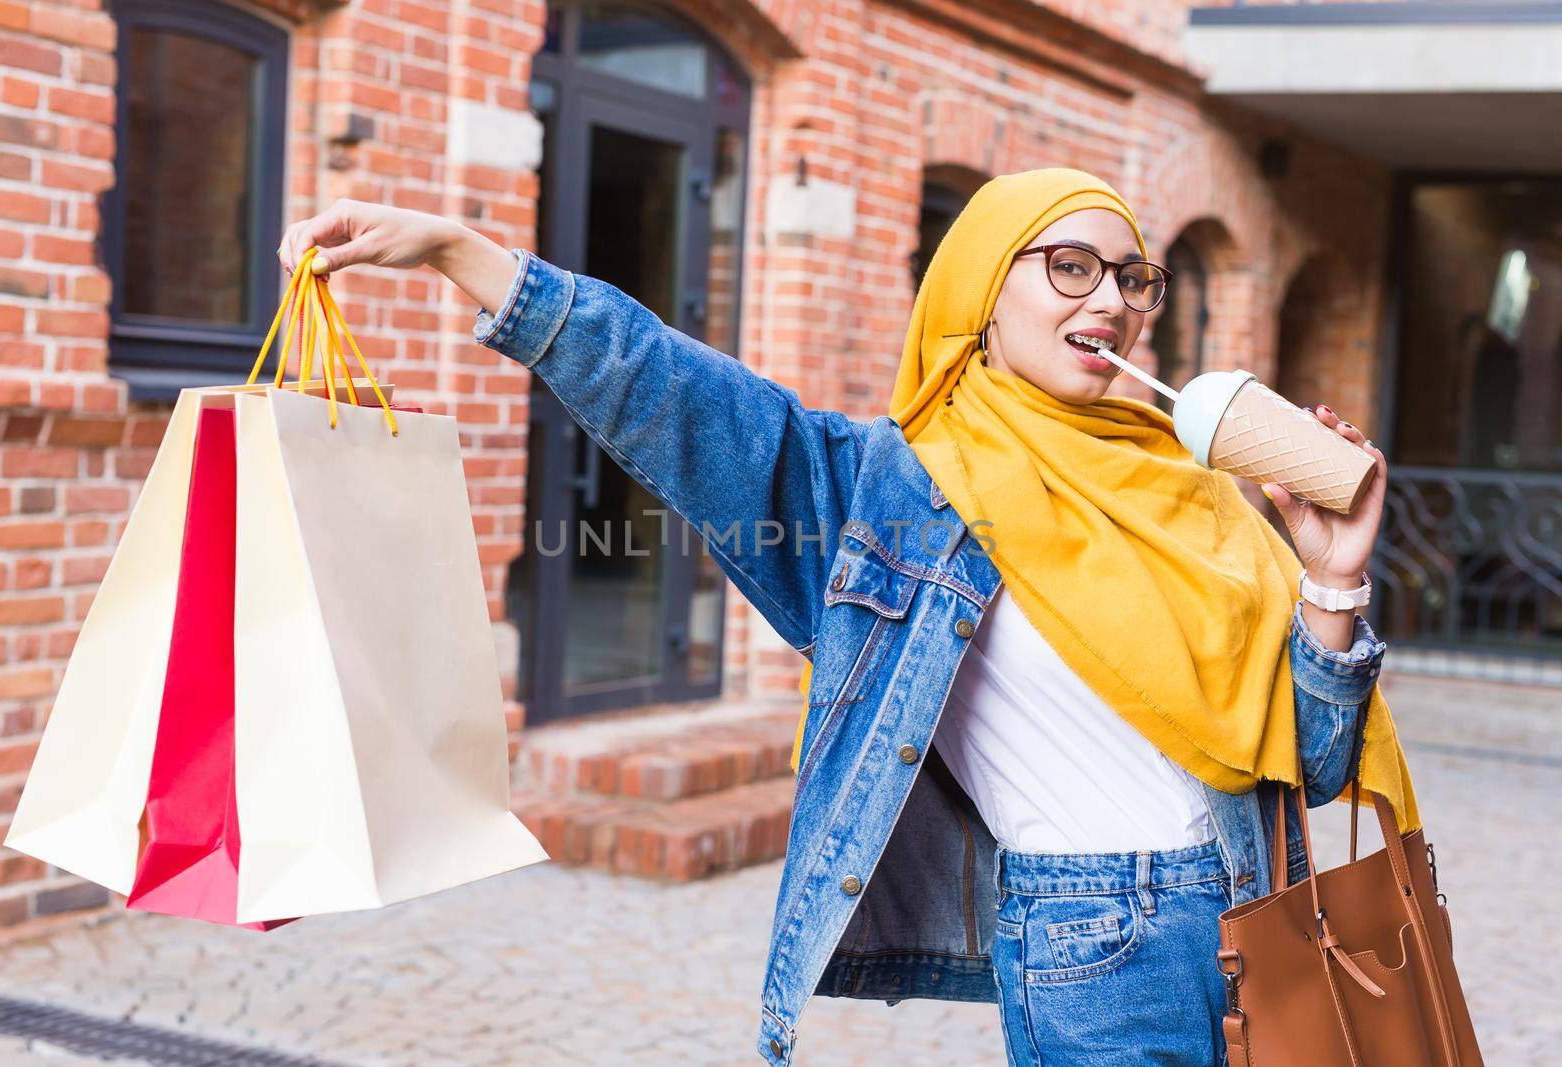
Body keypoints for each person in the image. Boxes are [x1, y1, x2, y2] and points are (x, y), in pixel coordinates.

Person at [278, 168, 1419, 1067]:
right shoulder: (884, 488)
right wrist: (457, 253)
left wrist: (1330, 579)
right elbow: (673, 393)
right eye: (1071, 266)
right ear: (980, 288)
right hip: (1093, 945)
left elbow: (1312, 765)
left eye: (1133, 278)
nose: (1111, 299)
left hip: (1259, 917)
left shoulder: (1199, 491)